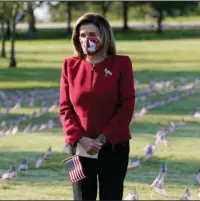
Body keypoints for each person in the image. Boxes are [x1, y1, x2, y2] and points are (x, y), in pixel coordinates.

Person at [59, 12, 135, 200]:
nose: (87, 39)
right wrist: (80, 139)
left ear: (104, 36)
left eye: (92, 34)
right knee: (81, 197)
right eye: (82, 35)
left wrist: (102, 139)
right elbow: (65, 107)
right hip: (77, 148)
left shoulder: (121, 64)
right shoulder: (69, 66)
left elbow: (127, 105)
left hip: (114, 147)